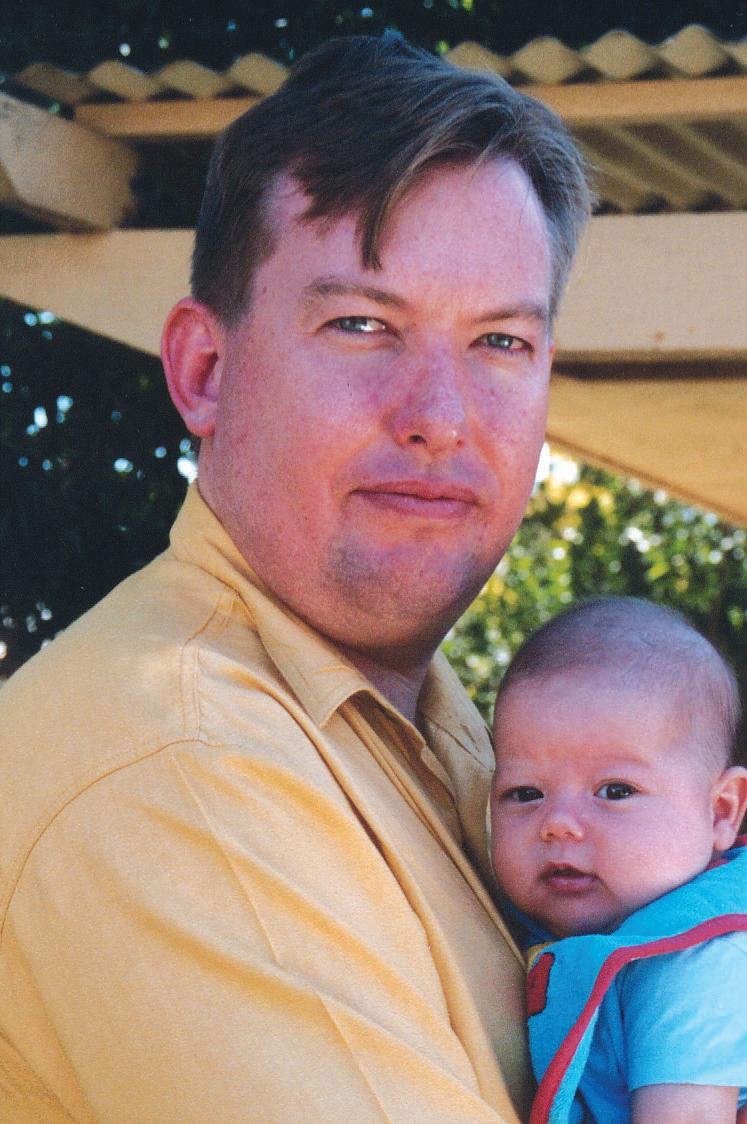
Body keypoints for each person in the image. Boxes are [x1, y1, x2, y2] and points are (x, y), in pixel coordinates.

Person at [0, 34, 591, 1123]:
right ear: (204, 370)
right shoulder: (176, 760)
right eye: (361, 325)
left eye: (500, 342)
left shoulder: (464, 746)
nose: (440, 416)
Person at [489, 597, 747, 1124]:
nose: (558, 823)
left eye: (614, 790)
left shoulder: (694, 961)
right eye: (525, 793)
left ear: (721, 811)